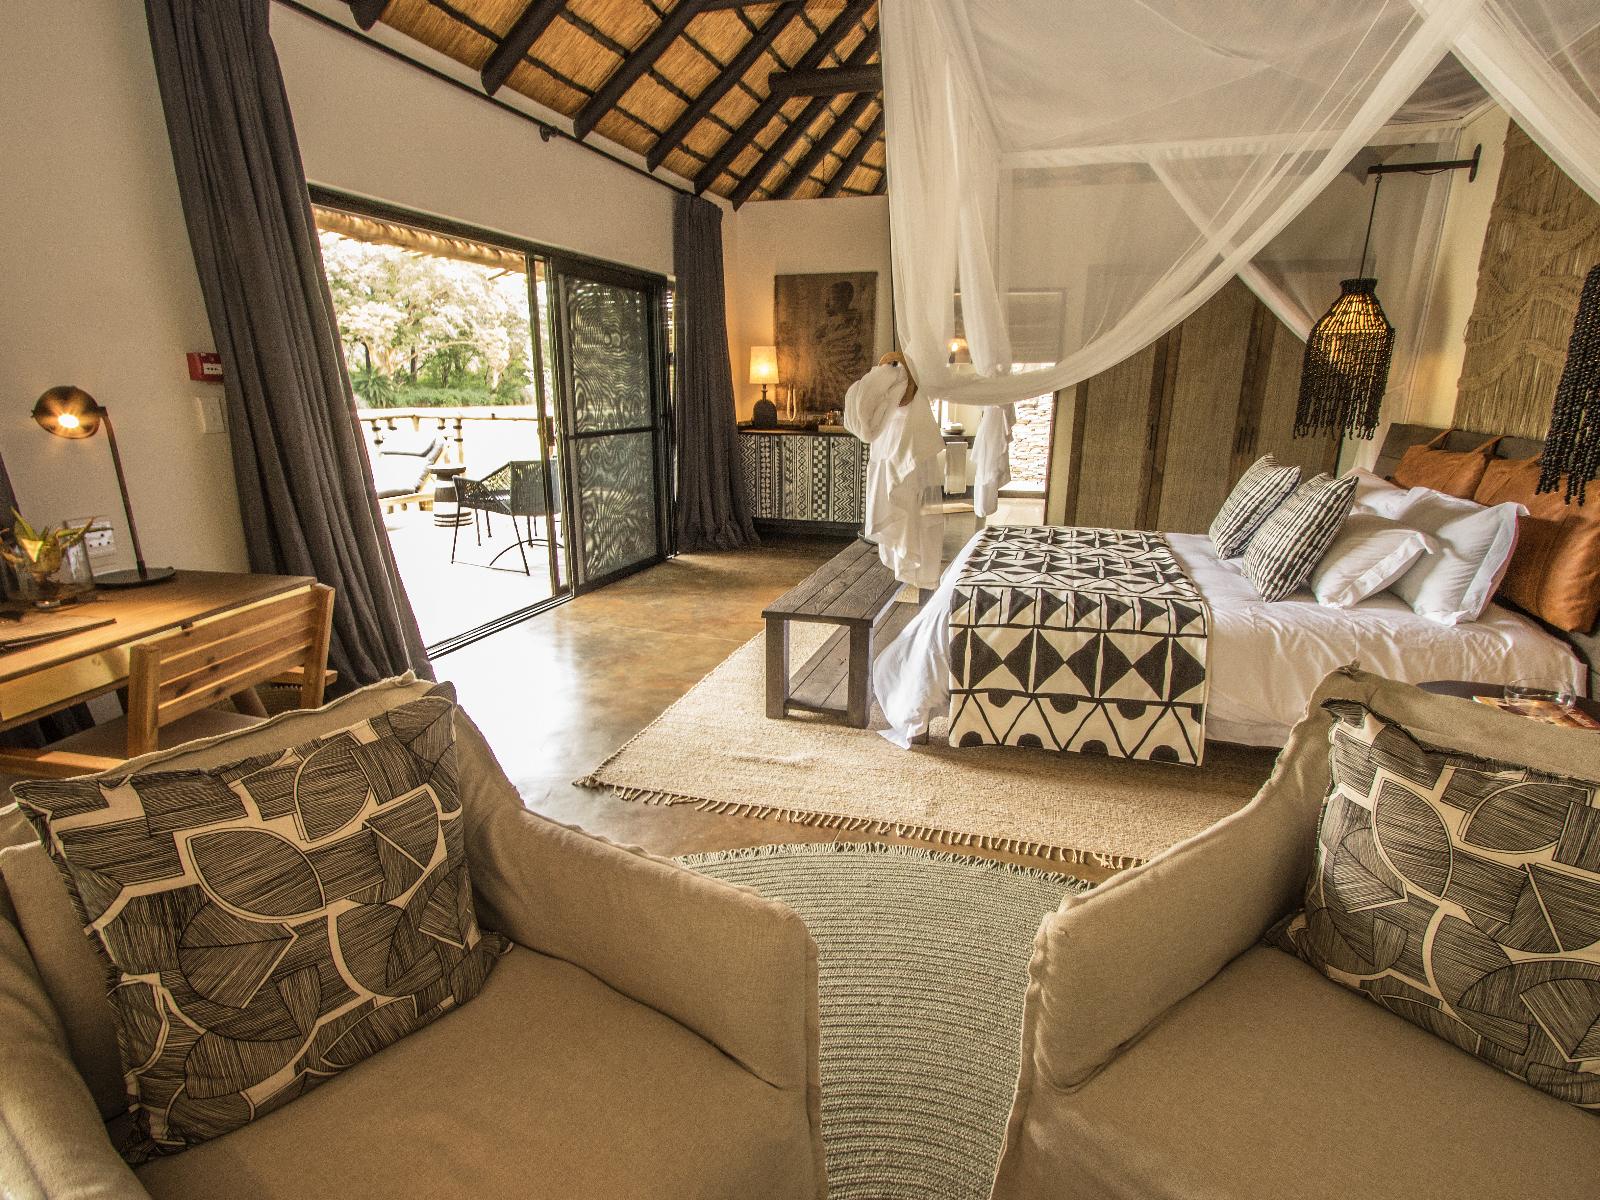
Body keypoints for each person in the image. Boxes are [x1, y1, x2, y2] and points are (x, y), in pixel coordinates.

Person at [843, 352, 944, 590]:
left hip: (899, 461)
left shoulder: (882, 411)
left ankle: (914, 565)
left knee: (912, 508)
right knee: (909, 507)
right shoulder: (888, 407)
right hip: (895, 461)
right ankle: (912, 563)